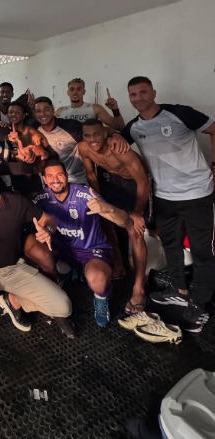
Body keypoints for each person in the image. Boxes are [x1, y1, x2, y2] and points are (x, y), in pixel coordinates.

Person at [122, 76, 215, 331]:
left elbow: (213, 129)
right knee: (170, 245)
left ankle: (200, 304)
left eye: (143, 92)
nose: (138, 98)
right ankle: (180, 290)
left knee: (202, 252)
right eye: (133, 94)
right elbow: (115, 141)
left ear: (153, 93)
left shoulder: (179, 114)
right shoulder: (133, 128)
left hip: (197, 194)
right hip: (164, 197)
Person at [0, 162, 73, 340]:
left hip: (14, 268)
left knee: (64, 307)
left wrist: (48, 230)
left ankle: (12, 301)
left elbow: (48, 220)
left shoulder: (17, 201)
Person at [32, 159, 132, 327]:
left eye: (59, 175)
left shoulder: (85, 194)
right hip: (63, 250)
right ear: (44, 179)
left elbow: (125, 221)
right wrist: (42, 232)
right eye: (50, 176)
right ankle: (69, 272)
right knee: (38, 254)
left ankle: (101, 298)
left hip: (90, 250)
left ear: (66, 176)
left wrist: (107, 209)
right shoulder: (41, 198)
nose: (55, 180)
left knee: (97, 280)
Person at [79, 118, 151, 313]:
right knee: (106, 224)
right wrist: (100, 201)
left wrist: (137, 212)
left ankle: (138, 288)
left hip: (133, 184)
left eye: (96, 134)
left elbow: (143, 181)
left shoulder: (119, 149)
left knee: (134, 231)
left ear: (105, 133)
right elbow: (91, 175)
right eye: (87, 135)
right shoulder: (84, 148)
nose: (92, 139)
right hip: (110, 182)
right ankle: (118, 267)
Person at [55, 78, 125, 130]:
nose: (75, 92)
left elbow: (119, 127)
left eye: (79, 89)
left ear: (84, 91)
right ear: (68, 93)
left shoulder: (95, 108)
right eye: (72, 89)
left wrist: (115, 110)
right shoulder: (60, 111)